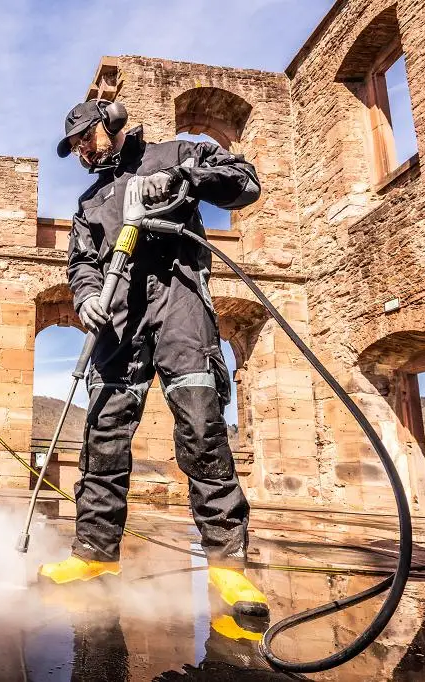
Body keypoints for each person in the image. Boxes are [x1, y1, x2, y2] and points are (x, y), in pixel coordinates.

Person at [39, 99, 269, 619]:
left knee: (202, 428)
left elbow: (245, 182)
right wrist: (86, 296)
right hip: (118, 321)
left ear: (112, 122)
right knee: (104, 434)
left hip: (180, 305)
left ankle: (228, 565)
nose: (81, 152)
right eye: (74, 147)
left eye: (86, 139)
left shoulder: (174, 154)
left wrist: (186, 178)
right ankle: (94, 554)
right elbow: (81, 262)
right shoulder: (90, 201)